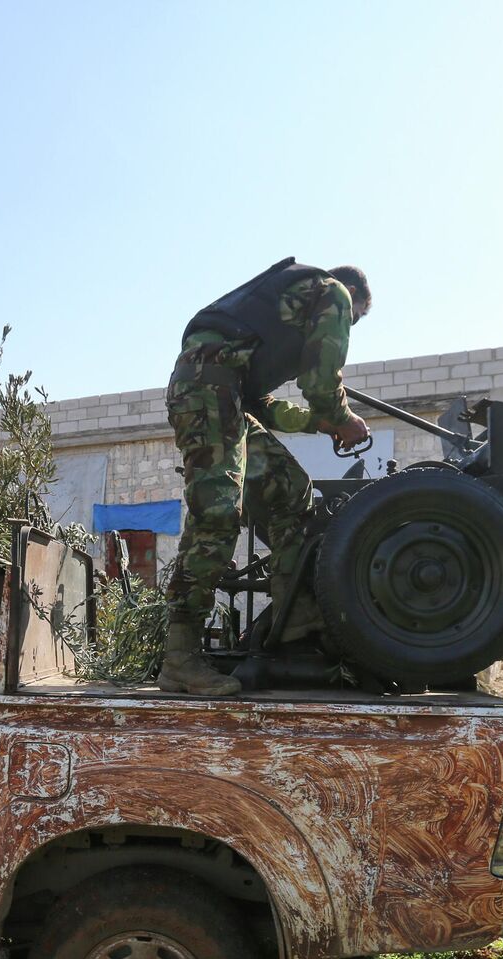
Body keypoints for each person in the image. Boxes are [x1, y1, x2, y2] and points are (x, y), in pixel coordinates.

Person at [157, 258, 373, 695]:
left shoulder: (288, 305)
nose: (348, 324)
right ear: (355, 300)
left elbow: (267, 406)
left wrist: (321, 424)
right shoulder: (334, 294)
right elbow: (320, 383)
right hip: (207, 390)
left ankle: (295, 620)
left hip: (226, 396)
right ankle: (179, 658)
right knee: (217, 513)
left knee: (291, 490)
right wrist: (342, 417)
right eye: (355, 318)